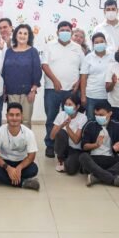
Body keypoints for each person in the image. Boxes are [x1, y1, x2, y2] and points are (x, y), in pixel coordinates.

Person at [42, 21, 85, 158]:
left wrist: (78, 83)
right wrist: (55, 80)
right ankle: (50, 145)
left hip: (71, 91)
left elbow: (84, 69)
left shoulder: (78, 48)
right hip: (52, 89)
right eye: (62, 30)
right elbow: (44, 65)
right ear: (57, 32)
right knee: (51, 118)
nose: (65, 32)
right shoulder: (49, 46)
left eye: (67, 30)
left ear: (71, 33)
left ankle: (66, 145)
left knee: (70, 118)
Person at [79, 101, 119, 190]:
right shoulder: (90, 125)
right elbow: (84, 146)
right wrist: (95, 145)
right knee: (83, 157)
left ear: (110, 113)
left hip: (110, 159)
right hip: (94, 159)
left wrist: (117, 149)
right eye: (96, 115)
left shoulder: (117, 126)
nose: (98, 117)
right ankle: (113, 179)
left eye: (101, 115)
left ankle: (97, 177)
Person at [0, 103, 40, 190]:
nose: (14, 118)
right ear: (6, 116)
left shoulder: (29, 133)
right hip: (4, 163)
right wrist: (8, 168)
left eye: (17, 115)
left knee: (33, 169)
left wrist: (19, 168)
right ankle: (23, 183)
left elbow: (31, 157)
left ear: (22, 116)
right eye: (11, 115)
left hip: (21, 162)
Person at [2, 24, 42, 128]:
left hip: (27, 92)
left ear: (29, 36)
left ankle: (25, 143)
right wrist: (4, 90)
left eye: (25, 33)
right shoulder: (9, 51)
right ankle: (11, 143)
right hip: (11, 92)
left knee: (25, 120)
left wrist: (33, 90)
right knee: (12, 120)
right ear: (15, 35)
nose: (22, 35)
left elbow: (37, 72)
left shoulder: (33, 51)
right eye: (20, 33)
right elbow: (4, 72)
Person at [79, 32, 113, 120]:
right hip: (91, 96)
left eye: (101, 41)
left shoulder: (112, 57)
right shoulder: (88, 58)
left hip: (108, 96)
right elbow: (83, 78)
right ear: (93, 44)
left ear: (105, 42)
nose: (99, 44)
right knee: (91, 121)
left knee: (107, 122)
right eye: (96, 42)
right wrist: (83, 96)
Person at [51, 95, 88, 174]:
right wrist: (62, 125)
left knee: (71, 170)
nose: (67, 106)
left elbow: (76, 140)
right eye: (66, 104)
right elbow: (52, 136)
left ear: (77, 106)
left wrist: (67, 127)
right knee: (61, 133)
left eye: (70, 104)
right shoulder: (61, 114)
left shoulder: (83, 118)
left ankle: (70, 162)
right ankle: (61, 159)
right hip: (63, 148)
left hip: (75, 149)